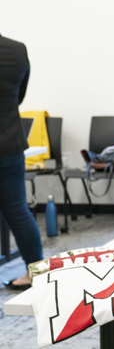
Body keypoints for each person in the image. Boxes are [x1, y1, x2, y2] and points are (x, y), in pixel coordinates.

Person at [0, 34, 44, 291]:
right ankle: (36, 272)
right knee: (18, 212)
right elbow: (19, 96)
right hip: (10, 143)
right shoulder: (16, 49)